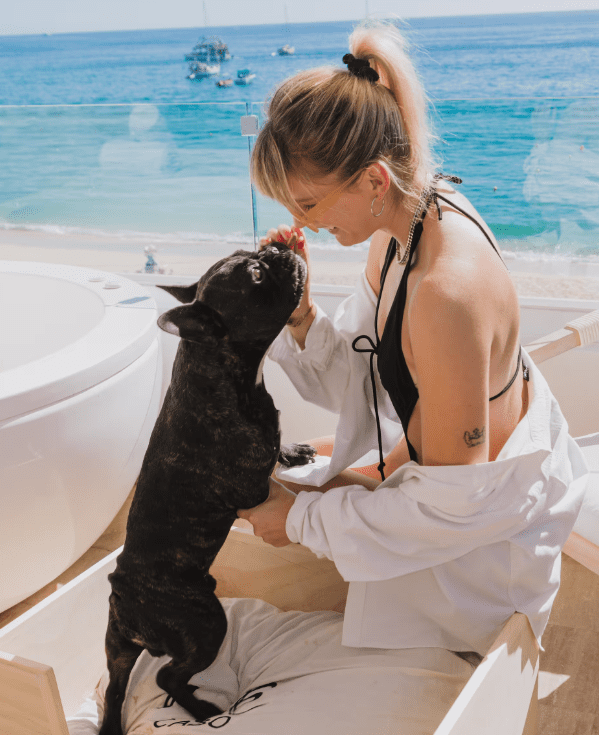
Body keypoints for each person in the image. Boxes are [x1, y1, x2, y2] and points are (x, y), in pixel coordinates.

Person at [237, 20, 589, 658]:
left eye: (310, 205)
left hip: (485, 533)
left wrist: (302, 520)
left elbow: (455, 507)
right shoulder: (402, 226)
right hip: (433, 470)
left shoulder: (446, 294)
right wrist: (301, 318)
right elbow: (375, 370)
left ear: (373, 180)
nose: (302, 225)